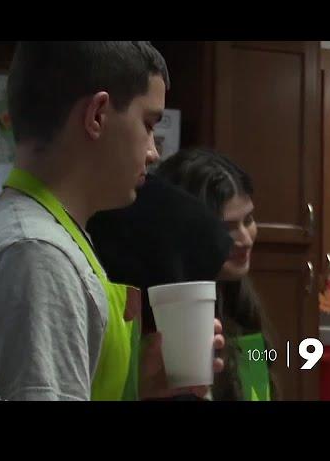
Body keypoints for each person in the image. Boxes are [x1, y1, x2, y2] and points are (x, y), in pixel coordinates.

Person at [0, 42, 225, 401]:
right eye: (149, 124)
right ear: (97, 115)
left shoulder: (25, 232)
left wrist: (141, 389)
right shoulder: (39, 256)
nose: (153, 153)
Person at [89, 148, 276, 401]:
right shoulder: (154, 315)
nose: (245, 238)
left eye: (249, 220)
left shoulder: (242, 306)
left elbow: (260, 394)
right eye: (227, 227)